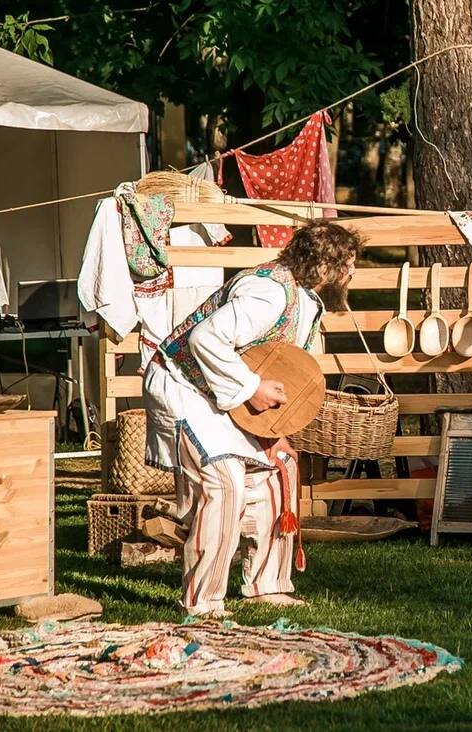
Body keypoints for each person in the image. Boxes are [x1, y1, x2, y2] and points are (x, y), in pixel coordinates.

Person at [143, 220, 361, 618]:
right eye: (347, 264)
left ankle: (267, 584)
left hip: (221, 391)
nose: (351, 273)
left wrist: (275, 432)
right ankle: (203, 599)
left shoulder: (303, 298)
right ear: (326, 266)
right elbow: (205, 339)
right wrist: (250, 390)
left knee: (280, 470)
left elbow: (278, 365)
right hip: (182, 384)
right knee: (224, 481)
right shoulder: (268, 294)